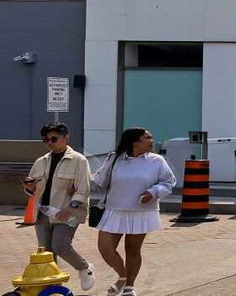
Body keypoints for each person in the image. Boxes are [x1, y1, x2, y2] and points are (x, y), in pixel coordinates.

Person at [91, 127, 177, 296]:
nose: (152, 140)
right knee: (105, 247)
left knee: (132, 250)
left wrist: (153, 192)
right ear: (135, 141)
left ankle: (129, 286)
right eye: (148, 137)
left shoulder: (157, 160)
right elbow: (99, 181)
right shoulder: (115, 158)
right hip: (114, 209)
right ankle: (122, 276)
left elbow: (168, 182)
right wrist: (77, 181)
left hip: (141, 211)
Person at [23, 122, 94, 293]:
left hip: (67, 213)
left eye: (54, 138)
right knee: (46, 253)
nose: (50, 142)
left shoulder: (79, 160)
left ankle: (84, 268)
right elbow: (33, 187)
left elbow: (84, 188)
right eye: (46, 140)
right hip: (42, 213)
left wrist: (71, 208)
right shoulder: (41, 161)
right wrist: (30, 187)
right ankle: (53, 289)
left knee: (60, 246)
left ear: (65, 137)